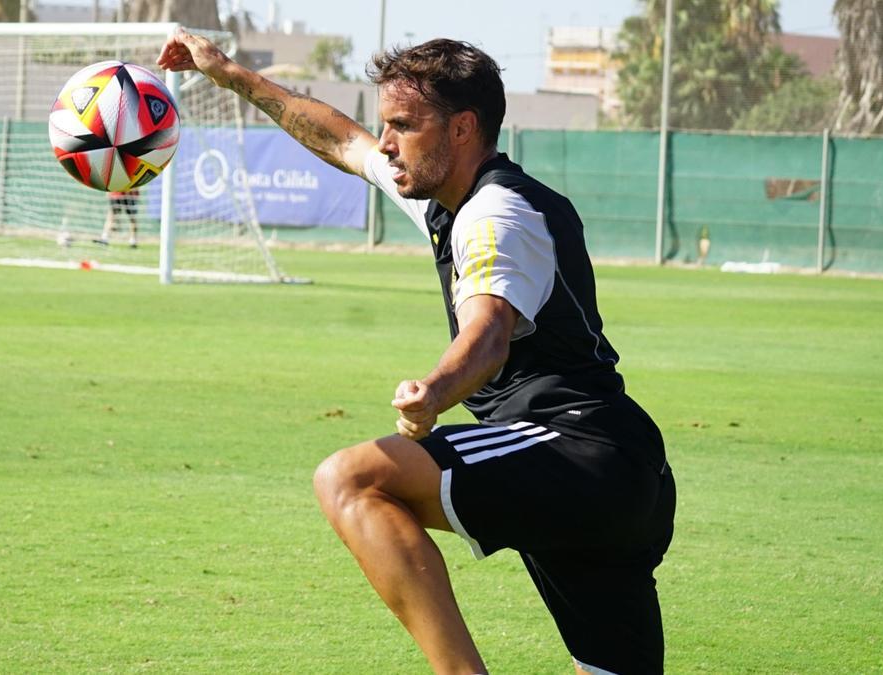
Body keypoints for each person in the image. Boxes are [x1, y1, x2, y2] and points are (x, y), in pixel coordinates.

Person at [159, 31, 675, 675]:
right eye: (386, 123)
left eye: (403, 124)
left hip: (574, 451)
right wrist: (229, 74)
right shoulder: (448, 197)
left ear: (462, 129)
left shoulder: (496, 214)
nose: (385, 142)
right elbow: (339, 139)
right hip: (620, 471)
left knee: (351, 478)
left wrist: (435, 390)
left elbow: (486, 334)